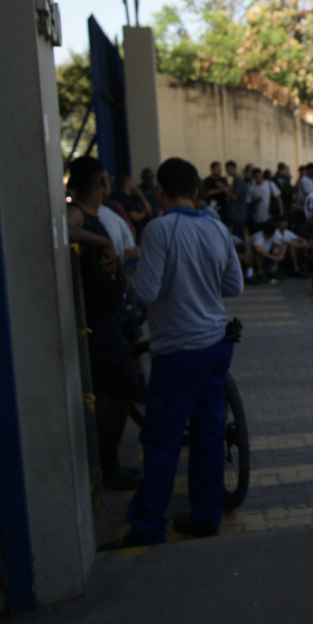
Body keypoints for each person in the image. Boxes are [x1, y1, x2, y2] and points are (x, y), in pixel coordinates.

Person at [116, 157, 243, 547]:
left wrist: (132, 264)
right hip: (216, 344)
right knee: (208, 432)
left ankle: (148, 525)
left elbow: (146, 292)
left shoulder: (158, 229)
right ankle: (206, 516)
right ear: (197, 191)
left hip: (177, 349)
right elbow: (234, 285)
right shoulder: (217, 228)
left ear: (161, 192)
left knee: (162, 437)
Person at [66, 157, 143, 491]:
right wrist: (103, 243)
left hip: (113, 314)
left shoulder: (101, 215)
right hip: (99, 322)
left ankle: (103, 461)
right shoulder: (80, 213)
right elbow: (65, 228)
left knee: (109, 390)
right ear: (100, 183)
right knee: (126, 385)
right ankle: (107, 460)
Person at [224, 160, 248, 240]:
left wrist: (223, 188)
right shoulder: (236, 180)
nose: (227, 171)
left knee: (238, 238)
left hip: (237, 214)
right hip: (237, 213)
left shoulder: (238, 180)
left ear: (232, 168)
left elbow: (234, 197)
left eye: (227, 169)